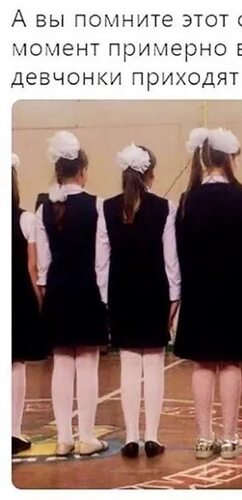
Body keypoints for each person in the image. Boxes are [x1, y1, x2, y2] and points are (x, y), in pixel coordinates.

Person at [173, 127, 242, 460]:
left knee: (202, 363)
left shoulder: (188, 200)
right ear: (229, 159)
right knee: (229, 363)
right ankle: (229, 437)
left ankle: (203, 437)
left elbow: (179, 251)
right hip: (236, 294)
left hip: (198, 293)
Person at [103, 143, 181, 458]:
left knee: (129, 366)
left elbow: (101, 261)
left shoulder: (106, 208)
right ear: (150, 174)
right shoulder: (165, 207)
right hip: (154, 291)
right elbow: (171, 259)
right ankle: (152, 436)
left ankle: (131, 437)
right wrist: (175, 295)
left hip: (121, 291)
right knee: (154, 365)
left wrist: (105, 298)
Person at [36, 131, 109, 457]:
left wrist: (45, 294)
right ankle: (87, 436)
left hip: (57, 291)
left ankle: (64, 437)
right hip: (88, 289)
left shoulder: (44, 210)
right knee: (87, 365)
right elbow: (101, 257)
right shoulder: (97, 206)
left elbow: (43, 265)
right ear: (82, 171)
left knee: (62, 365)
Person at [12, 154, 48, 455]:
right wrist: (40, 301)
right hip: (17, 298)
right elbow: (32, 267)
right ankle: (13, 431)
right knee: (15, 364)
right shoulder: (25, 219)